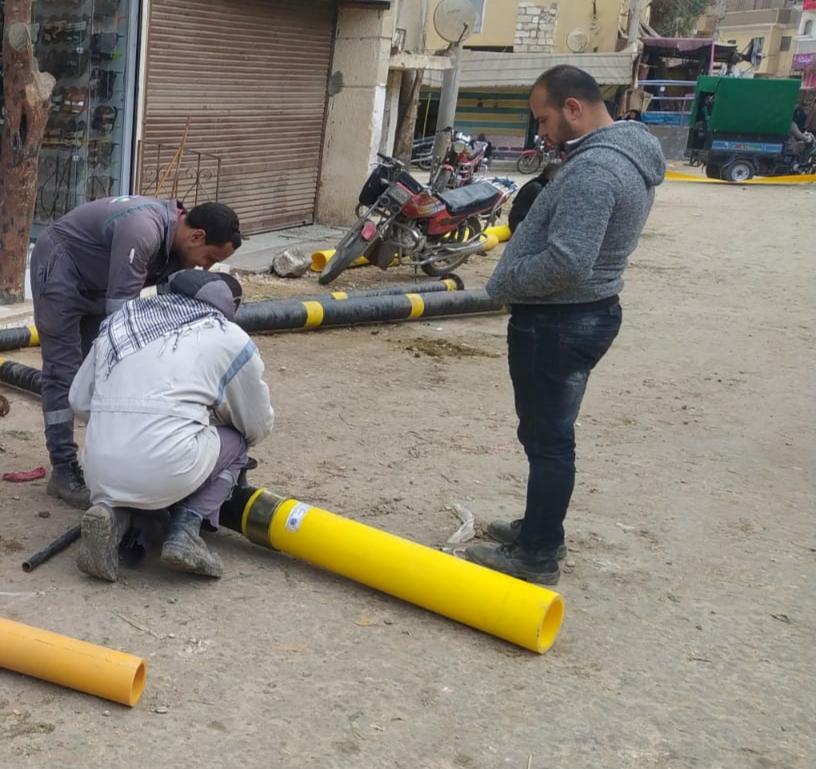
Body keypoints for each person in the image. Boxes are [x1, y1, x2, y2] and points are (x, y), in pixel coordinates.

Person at [466, 65, 666, 585]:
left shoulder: (596, 170)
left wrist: (505, 283)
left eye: (544, 119)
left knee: (548, 440)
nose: (542, 132)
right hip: (581, 314)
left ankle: (537, 553)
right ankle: (539, 528)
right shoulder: (623, 154)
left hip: (559, 322)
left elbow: (567, 262)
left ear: (573, 108)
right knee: (547, 435)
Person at [30, 197, 242, 509]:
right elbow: (121, 321)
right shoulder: (142, 230)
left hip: (96, 284)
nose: (205, 268)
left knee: (99, 371)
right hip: (60, 267)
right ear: (196, 236)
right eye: (209, 258)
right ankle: (63, 469)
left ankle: (107, 461)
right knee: (64, 372)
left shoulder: (177, 250)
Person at [69, 269, 274, 582]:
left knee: (143, 461)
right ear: (230, 305)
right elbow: (256, 423)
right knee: (237, 441)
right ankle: (185, 531)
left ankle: (112, 516)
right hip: (167, 468)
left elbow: (79, 400)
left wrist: (122, 426)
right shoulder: (227, 336)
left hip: (98, 471)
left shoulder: (121, 323)